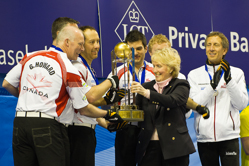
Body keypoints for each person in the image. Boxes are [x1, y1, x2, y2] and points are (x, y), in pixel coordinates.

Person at [2, 25, 124, 166]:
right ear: (67, 42)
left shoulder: (30, 56)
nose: (82, 49)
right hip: (48, 126)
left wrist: (26, 98)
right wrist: (108, 113)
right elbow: (83, 107)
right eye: (80, 44)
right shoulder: (69, 67)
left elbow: (6, 83)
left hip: (19, 125)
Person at [187, 31, 248, 166]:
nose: (211, 48)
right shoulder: (194, 75)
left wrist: (229, 81)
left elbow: (242, 104)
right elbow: (195, 105)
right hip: (205, 140)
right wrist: (211, 87)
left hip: (229, 139)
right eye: (208, 45)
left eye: (215, 45)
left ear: (224, 50)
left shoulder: (237, 73)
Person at [69, 25, 126, 166]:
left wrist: (105, 123)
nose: (96, 46)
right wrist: (110, 83)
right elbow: (87, 100)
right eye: (91, 42)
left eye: (98, 41)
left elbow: (86, 104)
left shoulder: (88, 69)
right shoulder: (77, 67)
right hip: (76, 131)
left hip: (86, 130)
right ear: (81, 45)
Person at [131, 47, 196, 166]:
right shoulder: (146, 86)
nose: (155, 70)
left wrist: (146, 93)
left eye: (159, 66)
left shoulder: (181, 85)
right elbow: (138, 115)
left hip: (175, 148)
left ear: (171, 68)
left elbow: (172, 100)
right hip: (149, 148)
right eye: (153, 66)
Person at [107, 29, 155, 166]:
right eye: (131, 49)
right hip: (126, 129)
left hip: (150, 130)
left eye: (139, 48)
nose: (135, 53)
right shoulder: (117, 73)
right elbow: (109, 101)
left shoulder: (155, 71)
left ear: (146, 48)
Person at [148, 34, 209, 118]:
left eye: (165, 51)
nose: (162, 55)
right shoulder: (144, 77)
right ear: (150, 53)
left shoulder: (180, 78)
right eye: (158, 52)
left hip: (172, 125)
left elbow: (186, 113)